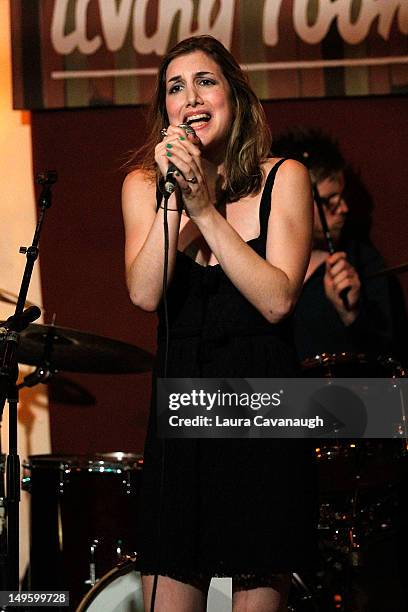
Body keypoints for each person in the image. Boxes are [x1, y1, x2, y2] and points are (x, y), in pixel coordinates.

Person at [122, 36, 316, 612]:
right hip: (184, 407)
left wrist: (207, 209)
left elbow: (278, 300)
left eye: (205, 81)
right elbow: (143, 292)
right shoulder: (144, 188)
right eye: (175, 88)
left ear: (235, 96)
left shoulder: (284, 177)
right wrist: (177, 200)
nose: (190, 97)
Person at [272, 127, 408, 610]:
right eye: (329, 202)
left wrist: (353, 317)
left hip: (350, 458)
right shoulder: (261, 269)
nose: (343, 210)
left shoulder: (361, 263)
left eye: (342, 199)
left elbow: (390, 385)